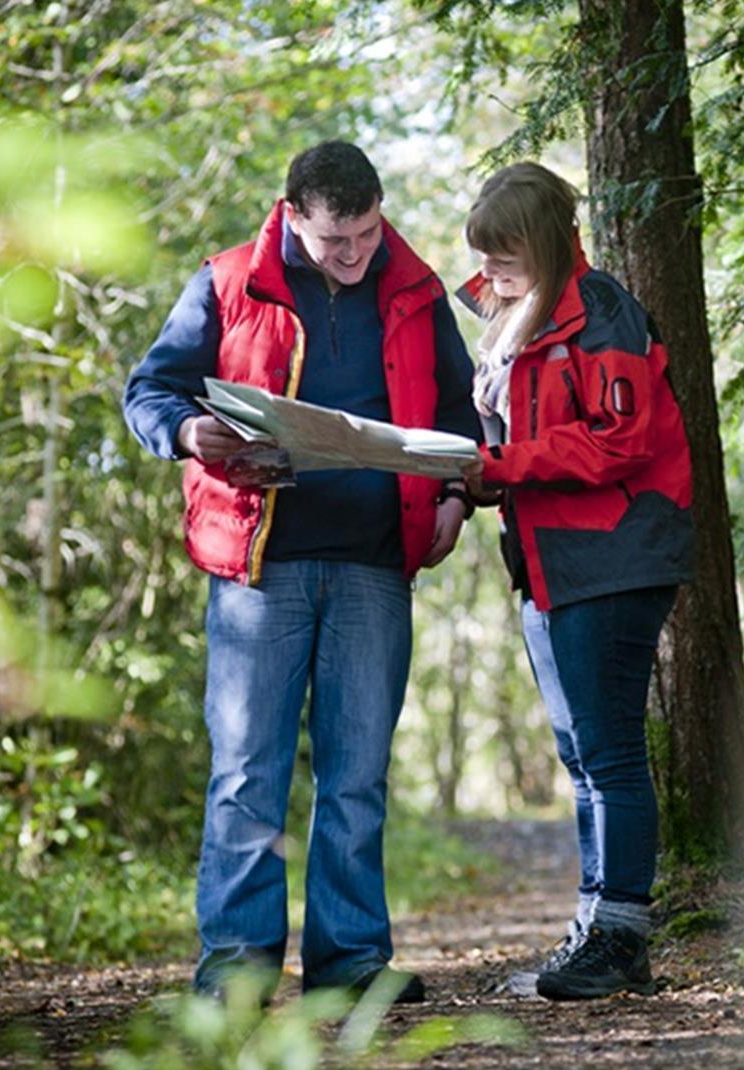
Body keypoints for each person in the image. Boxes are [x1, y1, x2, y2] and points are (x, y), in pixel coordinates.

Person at [122, 141, 481, 1004]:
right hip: (260, 566)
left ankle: (352, 964)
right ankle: (237, 972)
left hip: (375, 562)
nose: (353, 254)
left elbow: (464, 414)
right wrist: (186, 434)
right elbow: (150, 389)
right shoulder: (227, 280)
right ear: (291, 216)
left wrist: (458, 500)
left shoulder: (417, 287)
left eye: (365, 233)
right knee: (248, 771)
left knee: (356, 774)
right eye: (334, 242)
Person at [458, 162, 696, 1000]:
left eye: (505, 257)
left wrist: (503, 465)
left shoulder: (601, 315)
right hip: (547, 563)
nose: (489, 274)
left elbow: (619, 441)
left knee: (611, 752)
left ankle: (622, 935)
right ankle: (596, 928)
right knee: (581, 753)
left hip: (614, 556)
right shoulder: (512, 322)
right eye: (484, 258)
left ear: (550, 245)